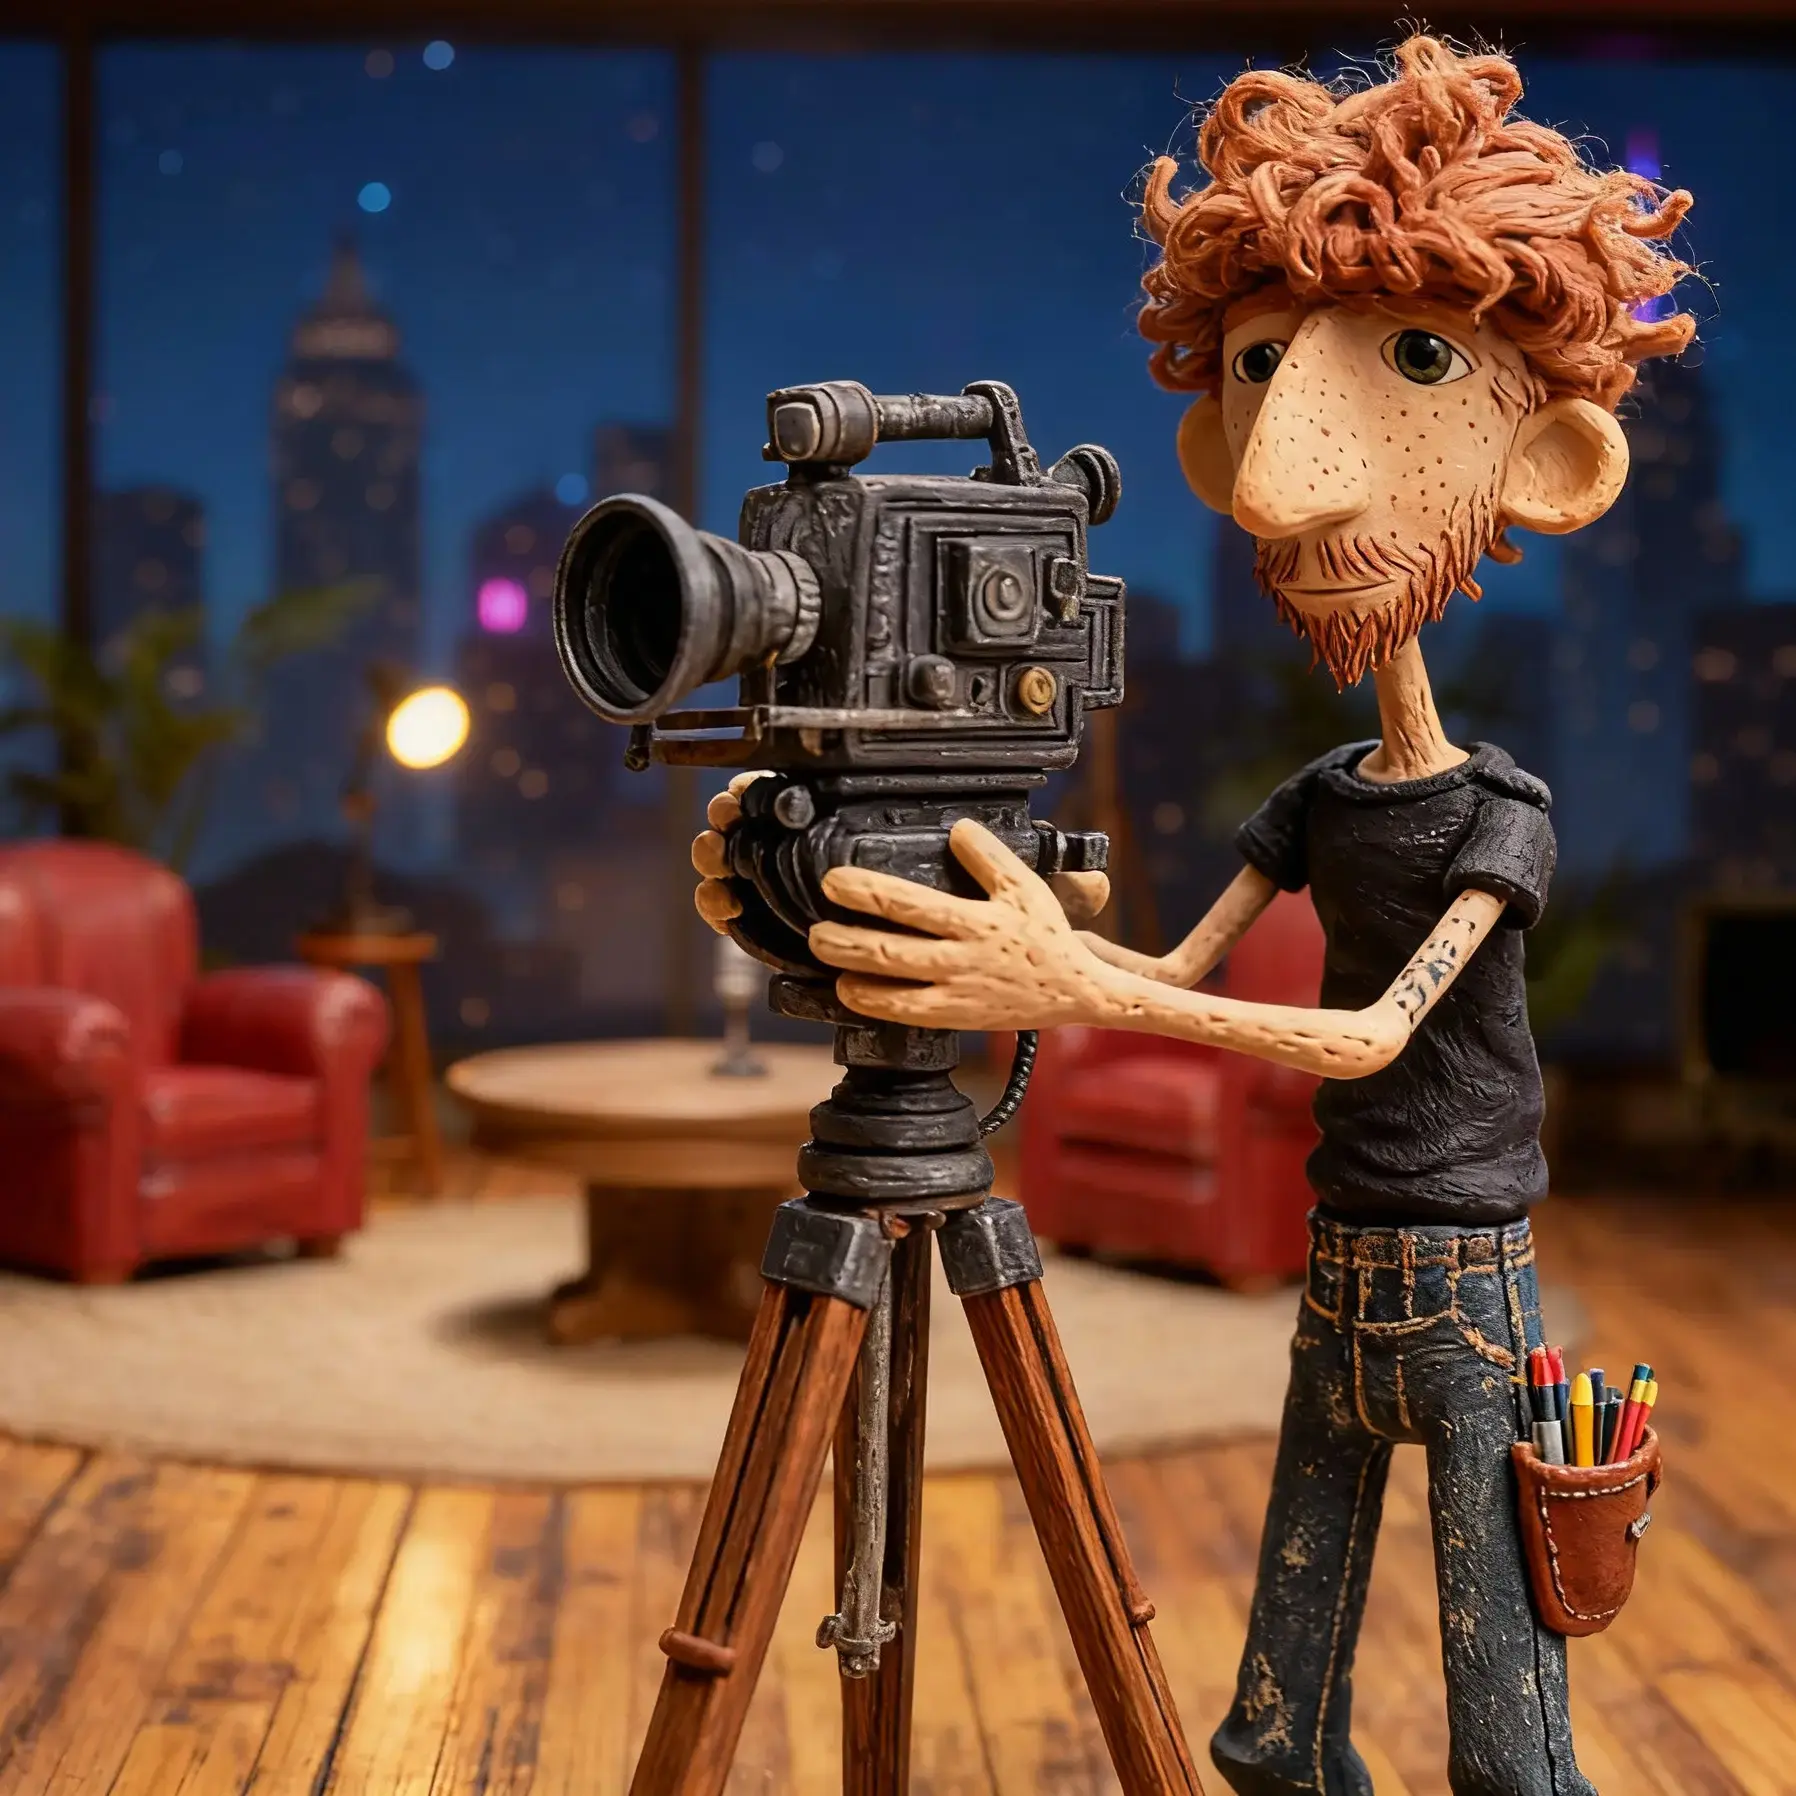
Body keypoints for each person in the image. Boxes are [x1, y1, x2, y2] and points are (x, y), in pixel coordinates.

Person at [693, 35, 1693, 1795]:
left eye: (1409, 359)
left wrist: (1064, 986)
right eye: (1254, 374)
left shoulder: (1501, 812)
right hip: (1343, 1274)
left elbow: (1373, 1036)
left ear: (1553, 455)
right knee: (1271, 1719)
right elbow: (1165, 966)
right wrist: (821, 891)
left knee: (1509, 1729)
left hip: (1470, 1291)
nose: (1290, 467)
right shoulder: (1317, 799)